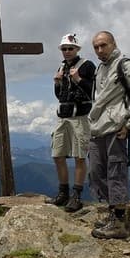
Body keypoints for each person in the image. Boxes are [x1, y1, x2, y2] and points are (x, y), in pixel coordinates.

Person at [88, 30, 130, 239]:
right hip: (98, 128)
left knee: (115, 173)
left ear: (113, 44)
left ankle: (118, 222)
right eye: (96, 47)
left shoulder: (125, 65)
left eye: (103, 45)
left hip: (116, 129)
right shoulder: (100, 68)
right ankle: (113, 214)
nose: (99, 50)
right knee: (97, 173)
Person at [45, 33, 95, 212]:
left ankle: (76, 195)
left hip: (80, 118)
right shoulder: (62, 67)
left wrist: (79, 80)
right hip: (63, 117)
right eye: (64, 49)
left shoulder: (87, 66)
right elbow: (61, 97)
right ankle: (63, 193)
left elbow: (94, 92)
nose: (67, 51)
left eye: (70, 48)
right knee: (57, 155)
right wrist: (57, 83)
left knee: (79, 157)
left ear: (77, 49)